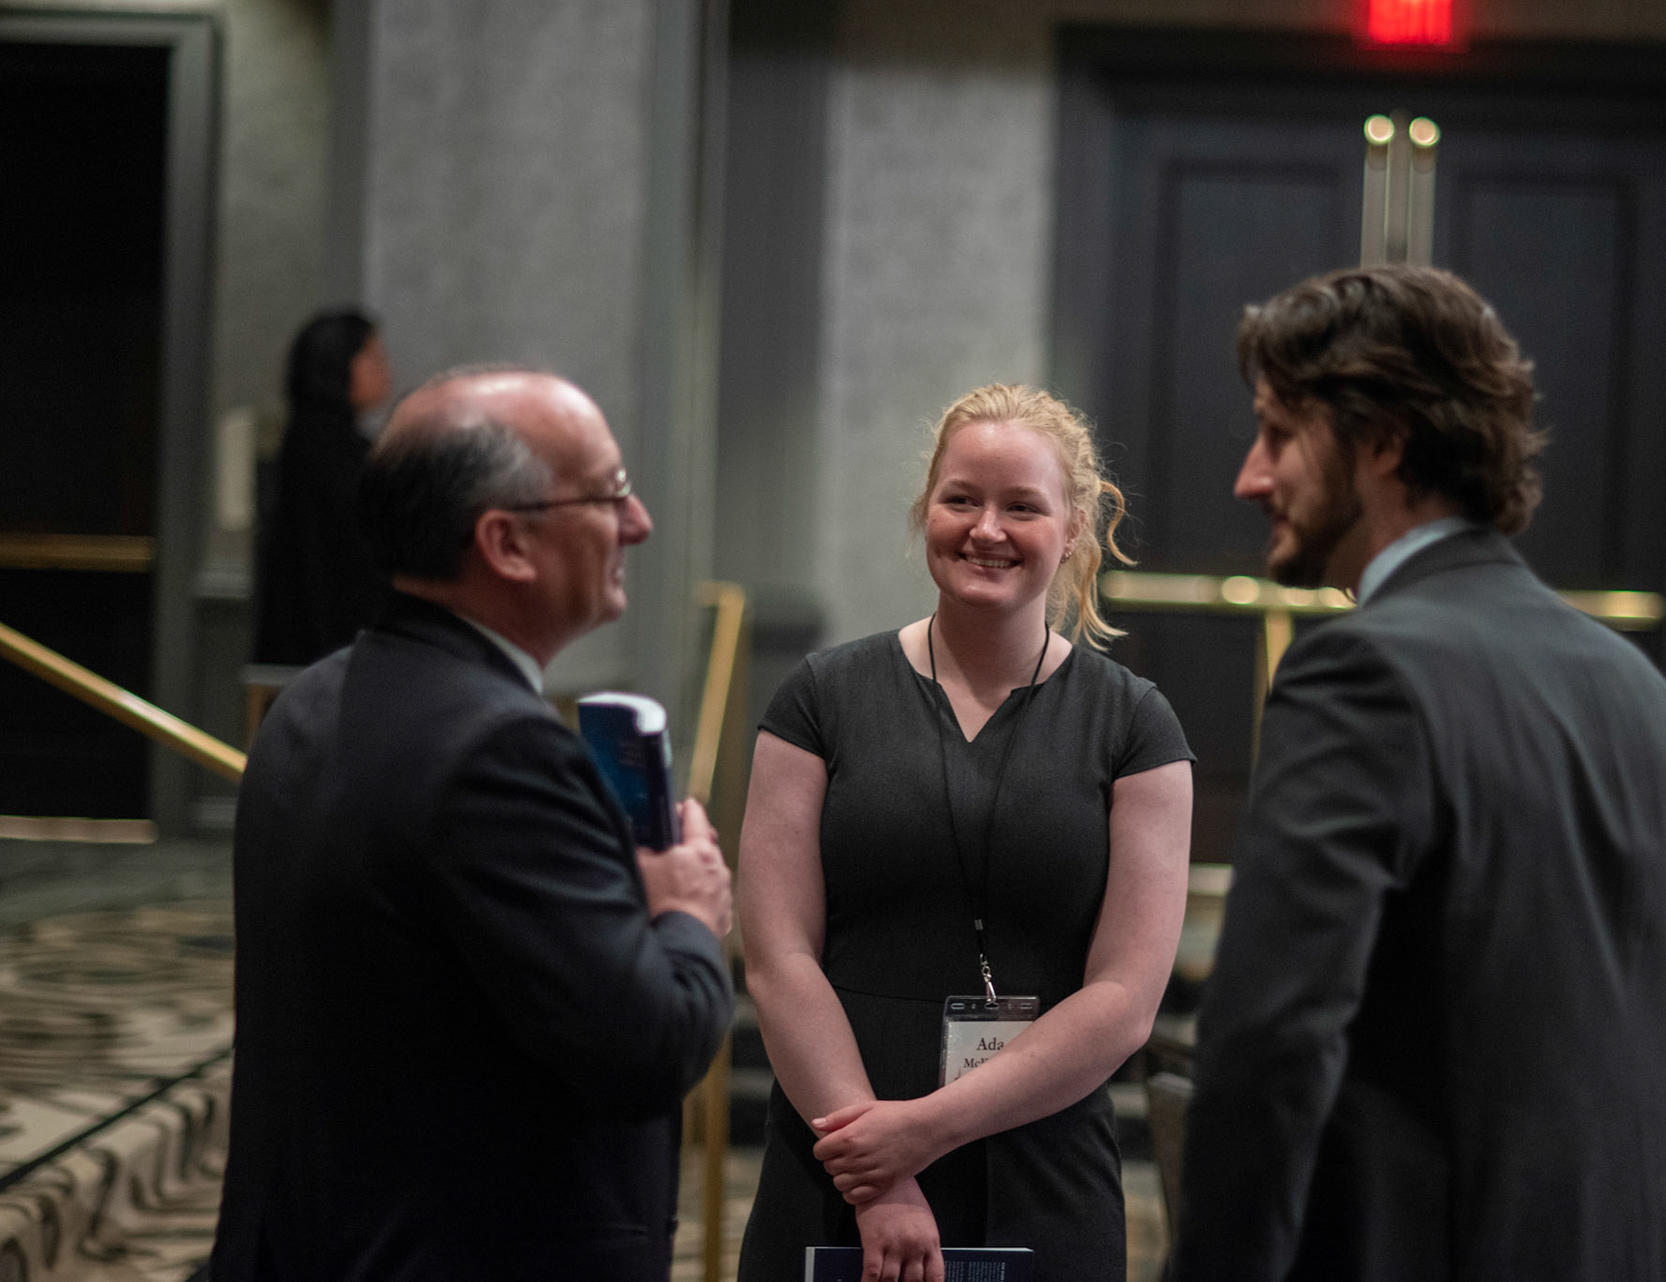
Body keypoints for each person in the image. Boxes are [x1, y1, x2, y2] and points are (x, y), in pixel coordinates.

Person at [1175, 266, 1666, 1281]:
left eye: (1278, 433)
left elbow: (1268, 1046)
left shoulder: (1362, 670)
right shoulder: (1651, 695)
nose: (1251, 478)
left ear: (1385, 439)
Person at [212, 368, 734, 1282]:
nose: (638, 522)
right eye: (609, 493)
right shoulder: (501, 752)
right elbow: (647, 1049)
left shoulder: (308, 702)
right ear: (507, 544)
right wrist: (686, 912)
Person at [736, 384, 1194, 1282]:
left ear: (1072, 532)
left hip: (1042, 1161)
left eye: (1022, 506)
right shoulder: (819, 699)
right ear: (927, 511)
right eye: (962, 499)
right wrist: (880, 1176)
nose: (987, 528)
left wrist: (919, 1134)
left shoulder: (1135, 725)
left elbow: (1125, 998)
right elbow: (778, 955)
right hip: (839, 1148)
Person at [253, 308, 393, 666]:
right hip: (331, 643)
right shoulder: (331, 451)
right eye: (373, 357)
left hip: (313, 643)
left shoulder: (308, 441)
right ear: (338, 364)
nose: (385, 368)